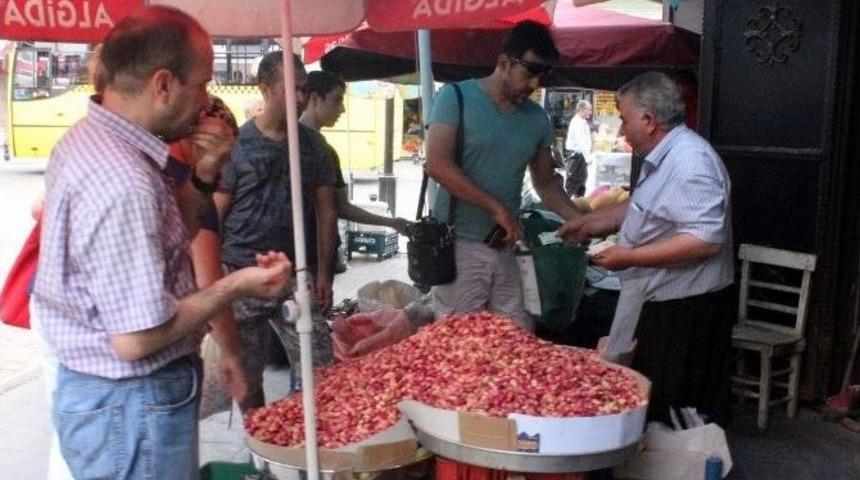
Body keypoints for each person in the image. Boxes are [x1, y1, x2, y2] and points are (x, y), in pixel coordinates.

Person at [31, 7, 292, 479]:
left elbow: (177, 233)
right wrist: (235, 287)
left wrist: (205, 171)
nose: (206, 100)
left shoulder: (92, 139)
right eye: (203, 84)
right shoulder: (123, 180)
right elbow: (136, 339)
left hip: (113, 401)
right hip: (129, 405)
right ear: (164, 85)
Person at [558, 71, 734, 426]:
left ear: (650, 120)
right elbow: (642, 206)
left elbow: (705, 240)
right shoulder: (663, 157)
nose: (622, 130)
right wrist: (591, 223)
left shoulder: (690, 162)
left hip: (686, 309)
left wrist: (629, 257)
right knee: (651, 398)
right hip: (660, 302)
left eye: (624, 120)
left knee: (675, 407)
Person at [425, 20, 583, 331]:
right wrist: (496, 208)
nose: (535, 84)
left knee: (518, 337)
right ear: (504, 62)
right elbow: (438, 165)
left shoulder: (538, 119)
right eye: (530, 72)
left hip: (510, 246)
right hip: (459, 246)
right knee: (461, 346)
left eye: (543, 75)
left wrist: (578, 219)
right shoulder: (454, 97)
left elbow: (546, 183)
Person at [215, 51, 338, 407]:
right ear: (265, 89)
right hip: (242, 273)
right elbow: (216, 215)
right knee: (247, 377)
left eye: (303, 89)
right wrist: (215, 286)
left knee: (320, 369)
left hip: (295, 277)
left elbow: (326, 213)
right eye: (292, 89)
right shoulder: (236, 145)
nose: (300, 97)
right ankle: (259, 445)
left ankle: (305, 439)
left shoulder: (314, 146)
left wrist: (324, 273)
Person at [299, 70, 412, 237]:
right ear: (315, 99)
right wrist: (391, 222)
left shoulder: (323, 149)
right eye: (337, 100)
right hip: (309, 250)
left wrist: (391, 222)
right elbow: (340, 208)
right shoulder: (310, 148)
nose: (342, 109)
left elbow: (341, 207)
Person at [564, 99, 593, 196]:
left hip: (580, 156)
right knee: (573, 182)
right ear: (582, 109)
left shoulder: (582, 121)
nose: (590, 112)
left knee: (581, 181)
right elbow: (581, 142)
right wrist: (588, 158)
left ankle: (579, 202)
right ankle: (567, 204)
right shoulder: (577, 122)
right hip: (576, 156)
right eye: (589, 109)